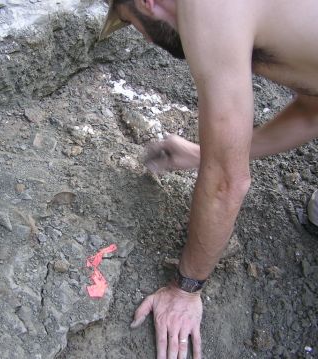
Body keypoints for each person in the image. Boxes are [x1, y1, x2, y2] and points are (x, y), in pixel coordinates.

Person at [99, 0, 318, 358]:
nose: (147, 40)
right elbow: (313, 110)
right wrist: (202, 154)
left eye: (130, 22)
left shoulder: (206, 9)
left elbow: (225, 183)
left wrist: (186, 289)